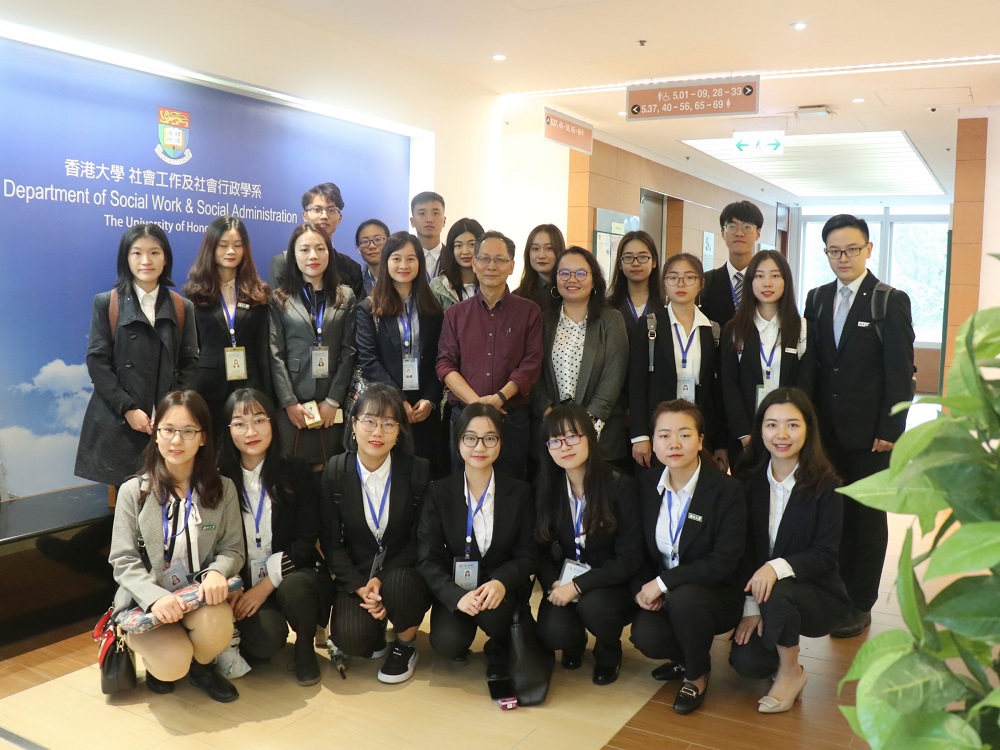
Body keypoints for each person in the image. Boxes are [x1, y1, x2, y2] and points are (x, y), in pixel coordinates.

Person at [803, 214, 915, 638]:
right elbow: (814, 365)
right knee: (831, 514)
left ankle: (860, 602)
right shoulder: (816, 299)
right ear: (826, 253)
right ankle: (833, 591)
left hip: (871, 436)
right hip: (824, 434)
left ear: (869, 249)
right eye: (834, 251)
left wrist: (892, 427)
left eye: (852, 249)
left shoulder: (888, 301)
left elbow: (900, 372)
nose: (843, 257)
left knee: (866, 519)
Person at [108, 390, 243, 702]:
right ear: (156, 434)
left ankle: (202, 667)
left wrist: (217, 572)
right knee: (171, 666)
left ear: (203, 437)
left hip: (197, 598)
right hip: (148, 602)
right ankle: (163, 663)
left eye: (188, 431)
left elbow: (233, 549)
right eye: (168, 430)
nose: (176, 440)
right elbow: (123, 559)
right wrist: (155, 598)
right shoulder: (133, 492)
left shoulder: (223, 489)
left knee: (217, 625)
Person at [729, 387, 851, 713]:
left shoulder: (828, 485)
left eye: (792, 425)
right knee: (748, 663)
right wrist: (751, 606)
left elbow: (825, 553)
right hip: (760, 594)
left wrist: (775, 567)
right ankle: (776, 640)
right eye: (771, 425)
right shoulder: (746, 480)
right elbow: (741, 550)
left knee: (779, 585)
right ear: (760, 430)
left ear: (808, 429)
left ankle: (790, 672)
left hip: (816, 592)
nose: (781, 435)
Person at [629, 400, 745, 715]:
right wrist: (642, 590)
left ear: (701, 440)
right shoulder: (645, 485)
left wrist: (664, 583)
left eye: (684, 434)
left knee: (685, 598)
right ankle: (686, 659)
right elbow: (636, 550)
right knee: (645, 636)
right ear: (653, 443)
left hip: (714, 594)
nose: (674, 444)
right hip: (667, 593)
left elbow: (723, 562)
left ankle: (696, 675)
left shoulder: (727, 491)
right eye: (664, 435)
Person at [320, 384, 432, 684]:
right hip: (358, 574)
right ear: (353, 425)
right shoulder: (335, 471)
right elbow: (331, 543)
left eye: (388, 424)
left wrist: (381, 579)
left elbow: (420, 540)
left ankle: (405, 645)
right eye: (369, 421)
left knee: (401, 586)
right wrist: (360, 587)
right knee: (352, 639)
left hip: (402, 571)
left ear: (399, 432)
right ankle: (377, 630)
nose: (377, 432)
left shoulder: (417, 471)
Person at [416, 404, 537, 679]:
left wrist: (501, 581)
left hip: (498, 588)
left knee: (497, 618)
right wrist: (456, 597)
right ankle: (462, 635)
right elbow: (427, 558)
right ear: (458, 441)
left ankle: (499, 645)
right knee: (447, 642)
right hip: (458, 587)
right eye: (470, 438)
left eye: (489, 438)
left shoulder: (519, 492)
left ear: (500, 443)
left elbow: (528, 555)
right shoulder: (439, 492)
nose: (479, 447)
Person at [76, 223, 198, 489]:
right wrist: (128, 409)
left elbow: (190, 364)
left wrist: (171, 411)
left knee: (167, 495)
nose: (146, 260)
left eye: (154, 252)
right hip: (121, 421)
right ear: (126, 258)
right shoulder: (107, 303)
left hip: (167, 424)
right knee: (128, 499)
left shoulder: (182, 306)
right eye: (137, 253)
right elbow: (97, 363)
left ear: (165, 258)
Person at [216, 388, 325, 687]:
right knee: (264, 643)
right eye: (239, 423)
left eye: (259, 420)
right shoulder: (218, 479)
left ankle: (305, 649)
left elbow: (306, 541)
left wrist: (265, 587)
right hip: (244, 583)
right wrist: (233, 584)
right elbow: (215, 544)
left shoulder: (297, 471)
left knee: (298, 588)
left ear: (273, 424)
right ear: (228, 430)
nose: (250, 432)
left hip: (291, 573)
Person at [535, 404, 641, 685]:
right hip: (565, 579)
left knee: (596, 608)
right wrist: (554, 583)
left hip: (610, 583)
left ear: (590, 437)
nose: (564, 447)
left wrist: (578, 586)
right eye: (555, 441)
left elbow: (630, 558)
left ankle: (608, 651)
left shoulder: (620, 486)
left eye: (572, 437)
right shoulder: (547, 488)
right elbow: (540, 550)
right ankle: (574, 642)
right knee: (552, 632)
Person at [436, 230, 543, 480]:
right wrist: (477, 403)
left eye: (499, 260)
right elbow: (445, 364)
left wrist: (499, 398)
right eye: (484, 258)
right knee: (463, 487)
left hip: (510, 417)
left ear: (511, 266)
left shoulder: (529, 312)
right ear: (474, 264)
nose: (491, 266)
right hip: (464, 416)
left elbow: (531, 363)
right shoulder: (455, 314)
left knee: (511, 487)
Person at [356, 232, 445, 476]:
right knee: (390, 473)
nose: (404, 265)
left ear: (420, 263)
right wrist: (398, 401)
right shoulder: (369, 308)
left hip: (424, 408)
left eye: (411, 259)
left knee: (424, 473)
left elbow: (441, 358)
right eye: (396, 258)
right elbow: (368, 360)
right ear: (386, 262)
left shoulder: (433, 308)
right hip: (386, 406)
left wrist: (430, 400)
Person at [270, 223, 357, 469]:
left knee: (331, 469)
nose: (313, 256)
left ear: (329, 252)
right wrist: (289, 402)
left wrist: (333, 399)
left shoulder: (345, 296)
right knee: (292, 471)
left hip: (330, 402)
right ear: (293, 255)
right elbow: (275, 354)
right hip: (293, 402)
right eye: (304, 249)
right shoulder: (279, 298)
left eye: (320, 249)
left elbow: (349, 351)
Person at [532, 247, 629, 466]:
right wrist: (550, 416)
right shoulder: (544, 321)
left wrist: (584, 425)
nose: (572, 279)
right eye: (564, 273)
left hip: (601, 435)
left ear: (594, 280)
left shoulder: (611, 320)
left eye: (581, 273)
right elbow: (533, 372)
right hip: (553, 436)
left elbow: (613, 377)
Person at [628, 253, 723, 471]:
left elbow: (717, 391)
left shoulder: (713, 330)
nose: (680, 284)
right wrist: (640, 436)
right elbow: (637, 383)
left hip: (699, 430)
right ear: (664, 283)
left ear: (701, 284)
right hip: (659, 430)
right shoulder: (649, 325)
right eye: (673, 278)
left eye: (689, 277)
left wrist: (721, 443)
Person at [720, 250, 815, 467]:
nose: (767, 283)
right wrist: (745, 435)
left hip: (789, 437)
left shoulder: (802, 328)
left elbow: (806, 385)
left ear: (786, 281)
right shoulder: (735, 329)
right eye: (759, 276)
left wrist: (792, 431)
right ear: (750, 282)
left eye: (775, 275)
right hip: (746, 437)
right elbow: (729, 386)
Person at [183, 216, 271, 436]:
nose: (231, 251)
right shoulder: (194, 295)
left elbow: (263, 348)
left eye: (237, 245)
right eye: (223, 245)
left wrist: (268, 393)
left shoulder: (258, 293)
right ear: (211, 248)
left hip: (250, 385)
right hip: (208, 388)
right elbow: (189, 352)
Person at [268, 182, 364, 300]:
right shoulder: (283, 263)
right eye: (317, 209)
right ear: (305, 216)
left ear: (339, 218)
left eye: (331, 210)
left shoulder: (351, 268)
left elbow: (356, 310)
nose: (324, 216)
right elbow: (276, 307)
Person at [699, 201, 763, 328]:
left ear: (758, 233)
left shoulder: (766, 281)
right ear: (723, 232)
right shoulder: (707, 281)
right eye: (732, 226)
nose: (739, 233)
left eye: (747, 227)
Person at [607, 230, 665, 329]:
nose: (635, 263)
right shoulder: (608, 306)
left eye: (642, 257)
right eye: (628, 257)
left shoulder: (666, 304)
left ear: (654, 262)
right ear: (620, 264)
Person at [430, 218, 483, 310]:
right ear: (452, 249)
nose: (465, 251)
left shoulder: (491, 281)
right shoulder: (438, 286)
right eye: (458, 245)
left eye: (472, 245)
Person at [513, 224, 566, 310]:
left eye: (549, 248)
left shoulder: (571, 290)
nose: (541, 255)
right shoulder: (518, 296)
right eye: (535, 249)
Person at [409, 191, 447, 280]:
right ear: (412, 221)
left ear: (444, 221)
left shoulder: (453, 258)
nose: (429, 219)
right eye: (422, 213)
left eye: (435, 213)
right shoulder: (405, 259)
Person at [356, 219, 389, 296]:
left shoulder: (401, 278)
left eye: (378, 240)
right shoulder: (356, 284)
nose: (372, 246)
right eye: (365, 241)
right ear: (359, 249)